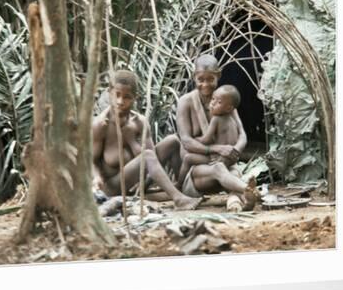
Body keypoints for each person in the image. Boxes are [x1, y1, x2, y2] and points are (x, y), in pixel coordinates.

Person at [92, 70, 202, 211]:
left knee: (173, 141)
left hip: (136, 181)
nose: (120, 102)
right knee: (147, 156)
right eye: (116, 95)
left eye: (127, 97)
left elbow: (152, 160)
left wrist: (144, 182)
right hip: (112, 186)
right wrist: (96, 178)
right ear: (109, 92)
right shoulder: (101, 125)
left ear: (135, 98)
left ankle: (181, 188)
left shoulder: (139, 122)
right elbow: (92, 161)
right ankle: (179, 199)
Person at [176, 55, 258, 210]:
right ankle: (249, 190)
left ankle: (238, 201)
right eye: (201, 79)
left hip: (225, 163)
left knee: (232, 171)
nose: (205, 84)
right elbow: (186, 141)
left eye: (210, 79)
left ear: (218, 76)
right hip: (198, 172)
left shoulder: (224, 100)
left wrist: (235, 151)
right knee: (219, 168)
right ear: (194, 77)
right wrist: (216, 149)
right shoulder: (186, 102)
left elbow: (242, 134)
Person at [177, 84, 242, 183]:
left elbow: (206, 139)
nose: (212, 104)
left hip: (217, 157)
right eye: (212, 100)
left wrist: (196, 140)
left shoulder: (216, 119)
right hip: (231, 158)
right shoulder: (231, 118)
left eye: (218, 102)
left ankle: (179, 184)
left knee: (187, 158)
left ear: (229, 108)